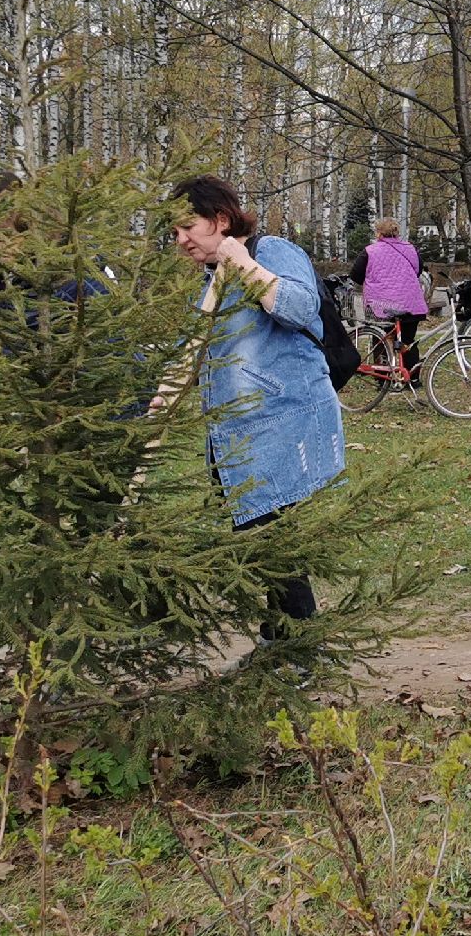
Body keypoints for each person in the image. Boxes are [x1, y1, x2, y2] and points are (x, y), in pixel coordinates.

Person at [169, 176, 346, 637]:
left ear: (221, 219)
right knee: (264, 546)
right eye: (174, 233)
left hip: (282, 423)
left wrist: (244, 262)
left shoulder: (273, 251)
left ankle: (296, 651)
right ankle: (279, 643)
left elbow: (298, 307)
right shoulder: (211, 281)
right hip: (236, 436)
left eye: (188, 226)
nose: (181, 240)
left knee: (275, 545)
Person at [351, 218, 428, 375]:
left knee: (382, 340)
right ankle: (412, 378)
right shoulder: (411, 249)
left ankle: (383, 377)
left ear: (378, 233)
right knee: (408, 341)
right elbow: (418, 270)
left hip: (381, 304)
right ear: (396, 232)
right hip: (411, 303)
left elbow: (356, 275)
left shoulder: (370, 251)